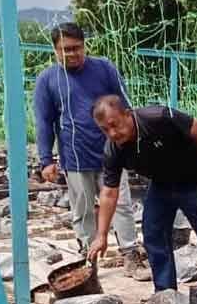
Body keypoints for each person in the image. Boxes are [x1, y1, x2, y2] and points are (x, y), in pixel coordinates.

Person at [33, 22, 150, 281]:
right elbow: (43, 122)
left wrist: (133, 142)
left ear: (85, 46)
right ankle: (89, 260)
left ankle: (130, 254)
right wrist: (46, 159)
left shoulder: (104, 68)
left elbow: (124, 104)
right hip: (75, 156)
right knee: (82, 210)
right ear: (55, 51)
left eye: (76, 48)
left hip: (113, 152)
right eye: (65, 50)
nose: (72, 54)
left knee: (121, 204)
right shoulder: (48, 80)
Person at [87, 95, 197, 292]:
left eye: (114, 125)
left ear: (127, 114)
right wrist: (101, 235)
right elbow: (108, 193)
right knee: (153, 233)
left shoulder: (157, 117)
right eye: (105, 130)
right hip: (161, 184)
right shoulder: (113, 150)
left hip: (193, 179)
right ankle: (165, 294)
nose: (113, 133)